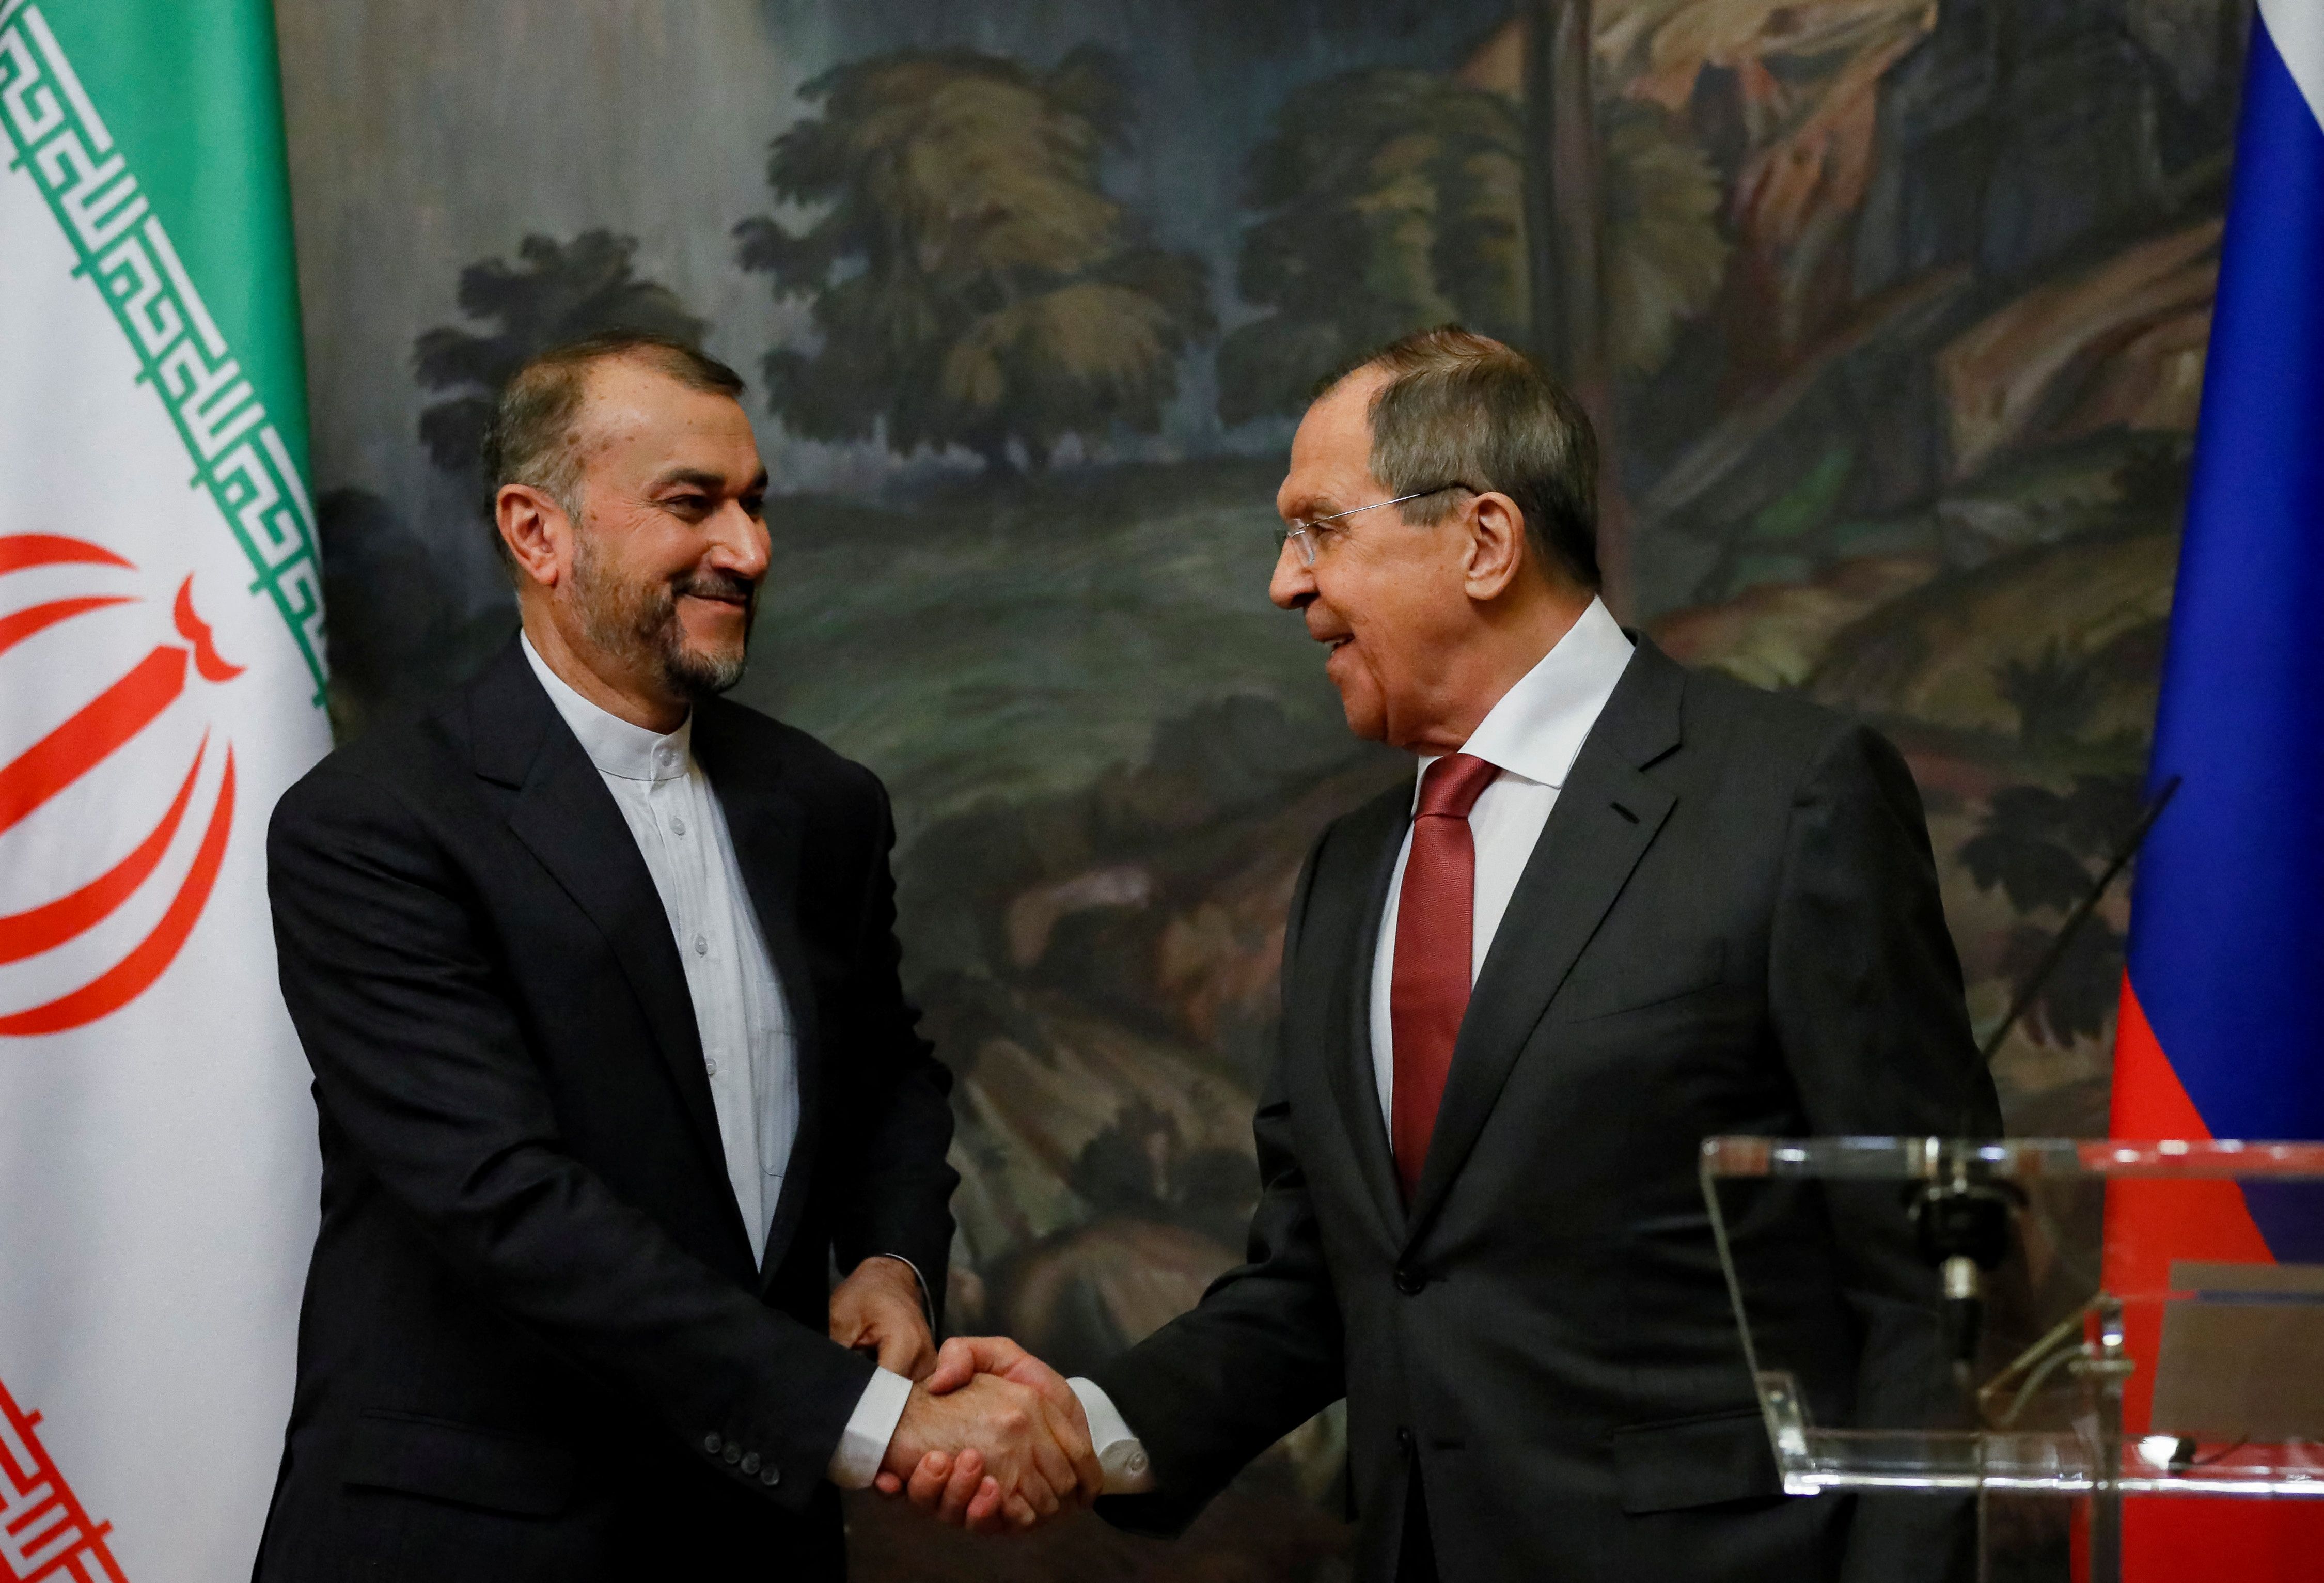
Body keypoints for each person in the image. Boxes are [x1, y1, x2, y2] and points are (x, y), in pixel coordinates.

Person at [903, 326, 2001, 1580]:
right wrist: (1083, 1430)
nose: (1283, 583)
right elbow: (1330, 1284)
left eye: (1319, 528)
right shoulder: (1352, 870)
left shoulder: (1789, 799)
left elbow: (1931, 1290)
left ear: (1483, 542)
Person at [255, 331, 1095, 1580]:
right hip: (474, 1543)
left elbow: (884, 1079)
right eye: (692, 506)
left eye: (755, 505)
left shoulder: (824, 804)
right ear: (539, 534)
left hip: (753, 1543)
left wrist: (892, 1260)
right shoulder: (371, 827)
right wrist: (878, 1424)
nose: (749, 552)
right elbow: (507, 1205)